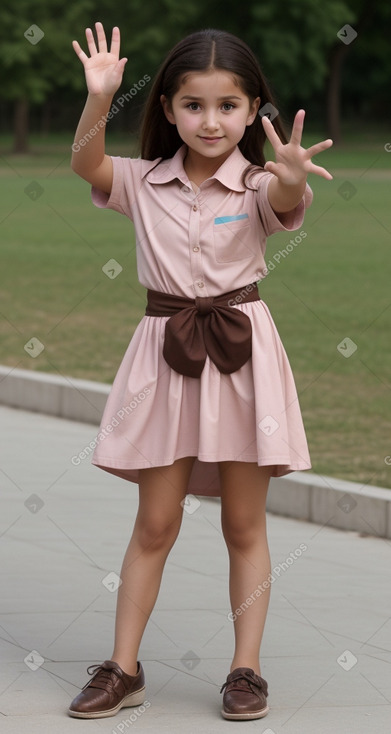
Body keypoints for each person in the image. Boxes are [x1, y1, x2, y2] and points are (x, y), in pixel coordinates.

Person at [68, 21, 333, 722]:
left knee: (244, 524)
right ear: (166, 109)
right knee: (154, 522)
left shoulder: (259, 183)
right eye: (192, 105)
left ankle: (244, 670)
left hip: (242, 356)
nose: (209, 120)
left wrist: (294, 178)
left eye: (227, 106)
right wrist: (99, 98)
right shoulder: (140, 180)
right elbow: (84, 163)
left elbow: (282, 205)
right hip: (162, 357)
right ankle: (123, 669)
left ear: (252, 112)